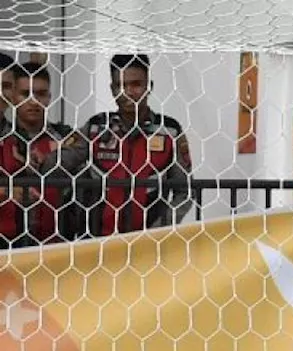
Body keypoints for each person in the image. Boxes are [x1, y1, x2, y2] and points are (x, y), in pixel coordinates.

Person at [40, 53, 193, 236]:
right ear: (112, 89)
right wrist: (40, 162)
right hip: (96, 242)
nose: (127, 92)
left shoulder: (169, 130)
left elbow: (185, 192)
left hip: (149, 244)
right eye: (120, 85)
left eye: (136, 84)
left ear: (149, 86)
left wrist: (159, 231)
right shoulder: (96, 127)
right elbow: (57, 166)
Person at [0, 63, 74, 248]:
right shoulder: (3, 140)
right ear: (13, 96)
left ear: (49, 97)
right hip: (8, 247)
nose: (33, 101)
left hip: (57, 245)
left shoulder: (65, 137)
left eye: (40, 94)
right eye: (26, 94)